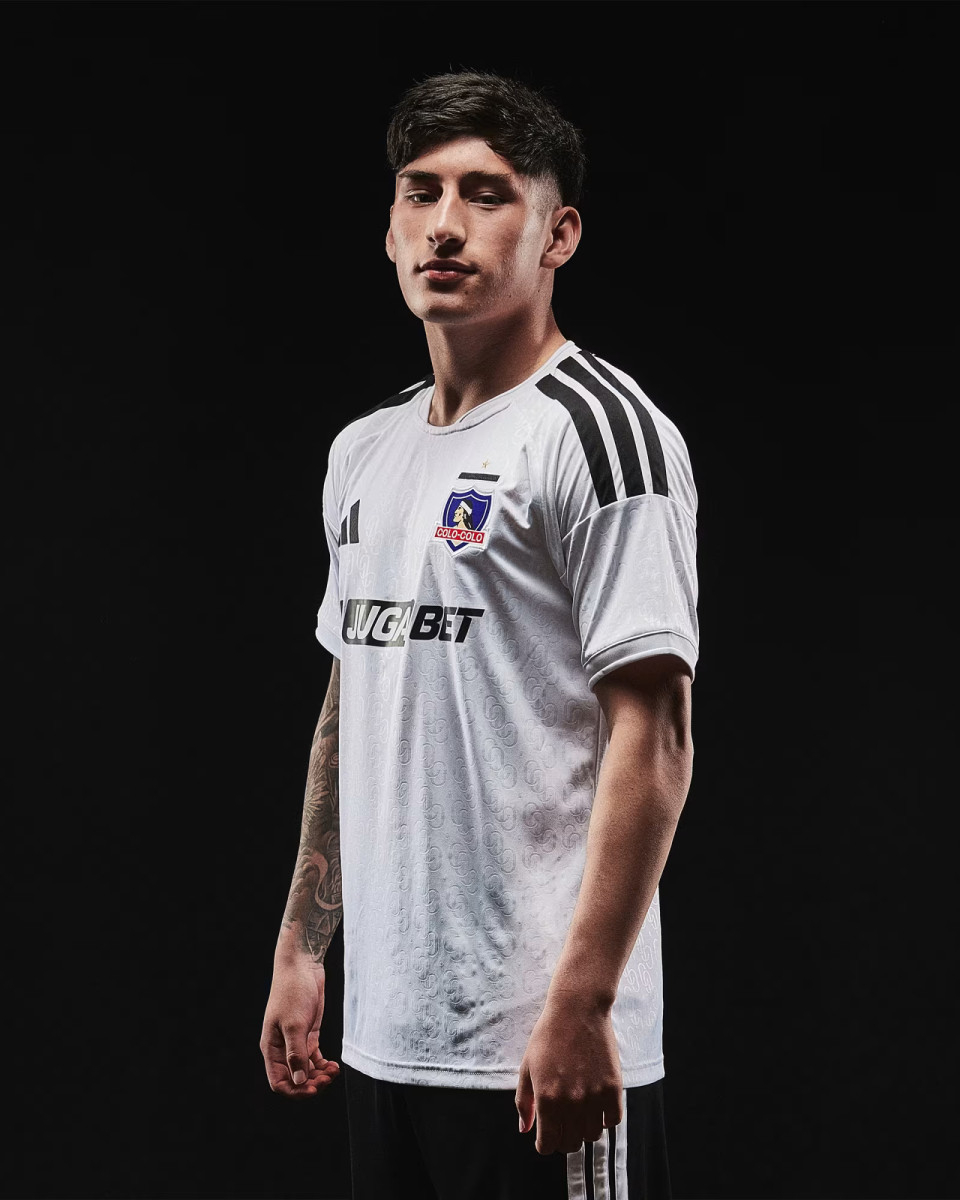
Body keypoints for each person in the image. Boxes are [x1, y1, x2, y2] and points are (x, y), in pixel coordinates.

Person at [260, 70, 699, 1200]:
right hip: (389, 1033)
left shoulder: (601, 435)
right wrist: (304, 947)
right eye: (421, 192)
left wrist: (583, 1006)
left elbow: (654, 739)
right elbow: (353, 699)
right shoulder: (364, 451)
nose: (445, 225)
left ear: (560, 234)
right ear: (389, 226)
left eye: (487, 194)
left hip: (542, 1052)